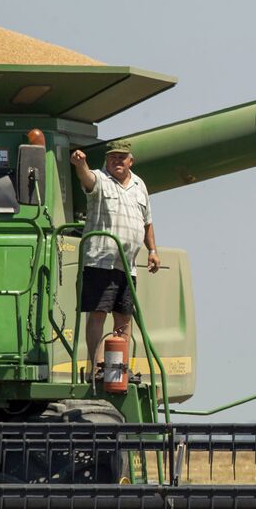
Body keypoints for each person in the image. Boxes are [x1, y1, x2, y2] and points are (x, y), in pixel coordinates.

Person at [70, 138, 160, 377]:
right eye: (112, 157)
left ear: (130, 161)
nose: (117, 161)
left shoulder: (140, 185)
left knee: (124, 318)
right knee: (98, 313)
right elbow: (86, 179)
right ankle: (97, 366)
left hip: (127, 265)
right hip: (101, 260)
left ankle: (119, 368)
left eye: (121, 157)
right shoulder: (100, 179)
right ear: (106, 160)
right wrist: (80, 165)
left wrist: (152, 250)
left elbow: (147, 222)